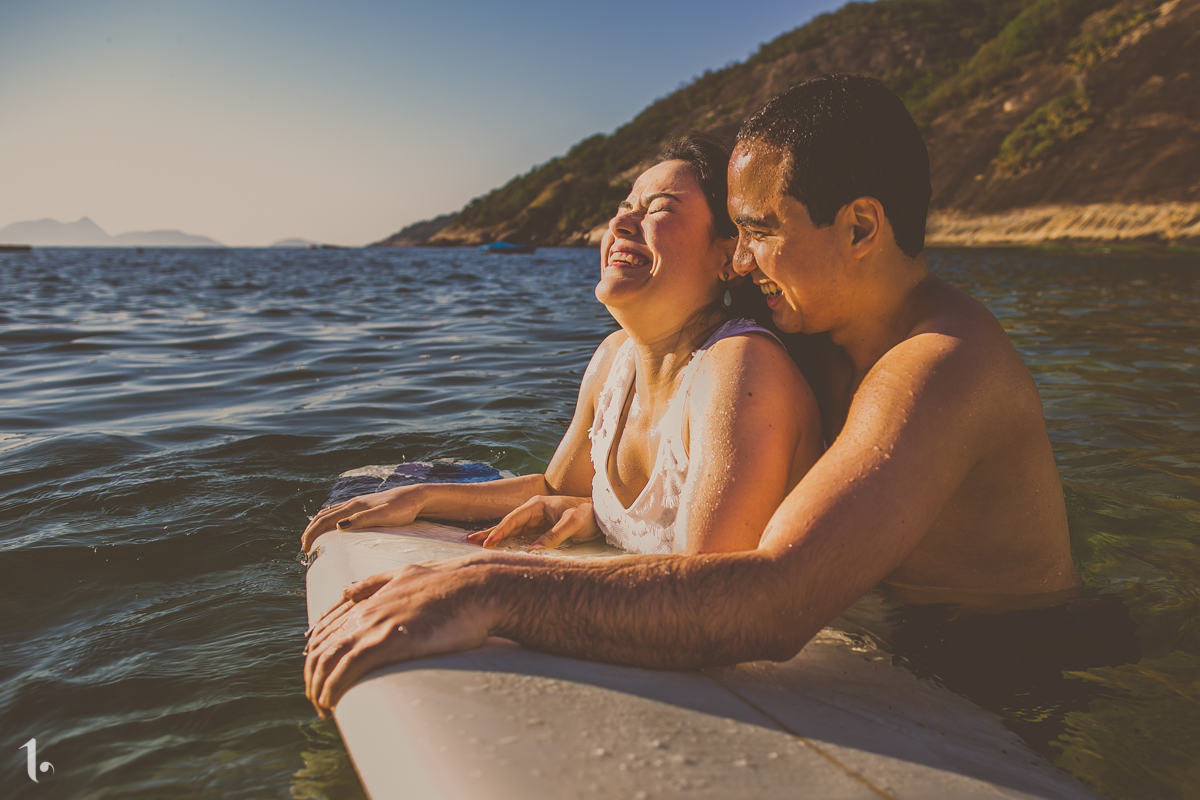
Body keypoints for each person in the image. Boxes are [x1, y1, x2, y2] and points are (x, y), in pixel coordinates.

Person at [304, 74, 1081, 719]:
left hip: (1000, 678)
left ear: (859, 228)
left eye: (760, 231)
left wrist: (487, 592)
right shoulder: (831, 342)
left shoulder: (938, 369)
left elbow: (771, 601)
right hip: (892, 626)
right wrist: (593, 509)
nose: (741, 261)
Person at [302, 133, 823, 559]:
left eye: (659, 209)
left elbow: (706, 589)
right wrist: (421, 498)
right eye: (624, 207)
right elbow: (556, 489)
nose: (620, 223)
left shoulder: (741, 369)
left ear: (729, 256)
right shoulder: (613, 360)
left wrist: (482, 589)